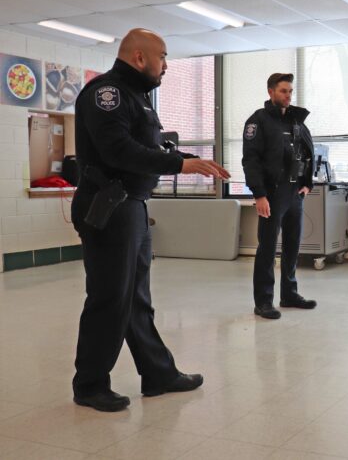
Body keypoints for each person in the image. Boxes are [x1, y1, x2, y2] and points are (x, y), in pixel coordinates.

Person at [71, 29, 230, 412]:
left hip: (133, 206)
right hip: (109, 208)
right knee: (110, 298)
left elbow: (151, 146)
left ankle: (158, 373)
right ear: (139, 58)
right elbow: (119, 150)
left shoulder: (136, 98)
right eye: (163, 57)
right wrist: (179, 164)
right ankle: (89, 385)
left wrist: (189, 158)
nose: (167, 66)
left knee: (136, 299)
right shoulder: (105, 94)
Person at [242, 72, 318, 319]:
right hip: (272, 195)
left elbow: (308, 152)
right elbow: (250, 161)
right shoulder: (258, 121)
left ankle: (289, 294)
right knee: (267, 248)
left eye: (290, 91)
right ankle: (263, 301)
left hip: (294, 193)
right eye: (283, 91)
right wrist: (259, 195)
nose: (288, 95)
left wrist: (307, 183)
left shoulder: (296, 121)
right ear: (271, 92)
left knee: (293, 245)